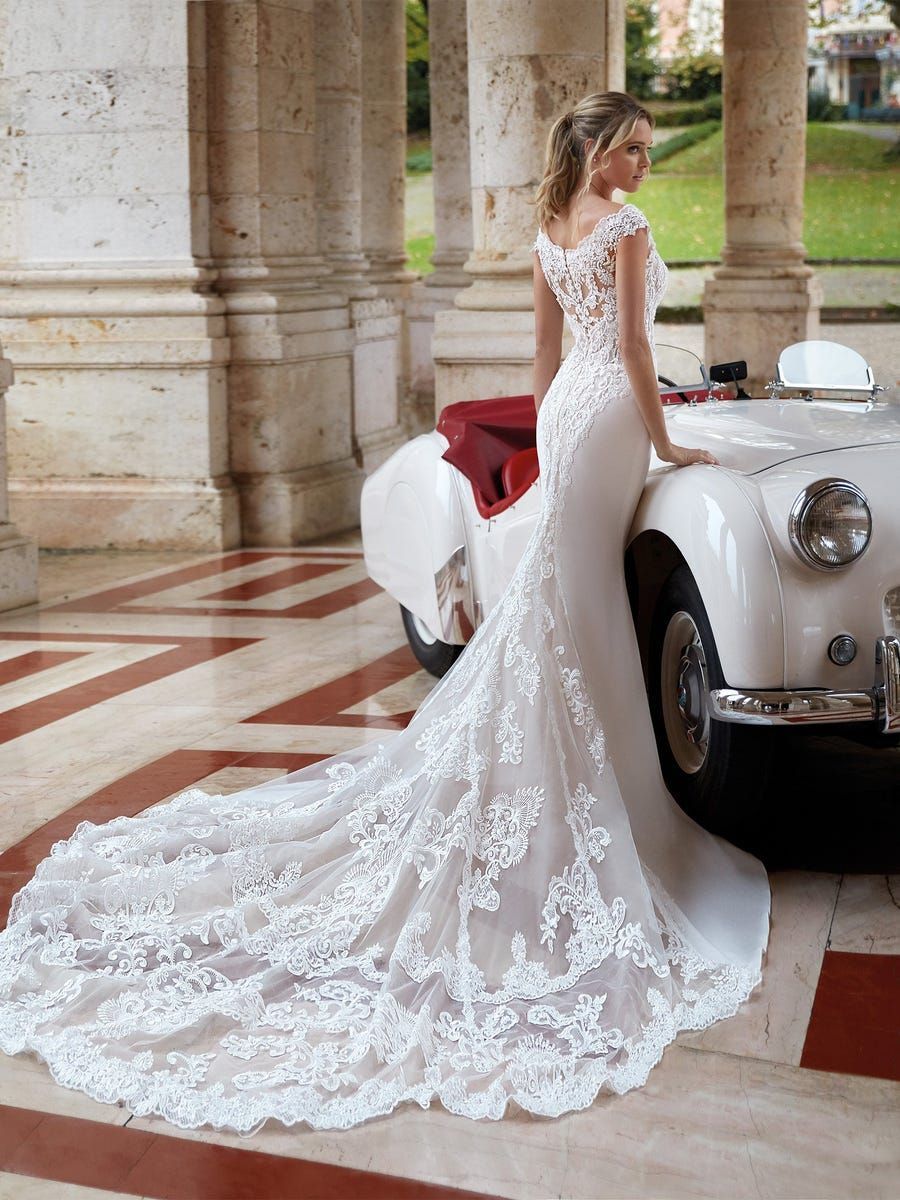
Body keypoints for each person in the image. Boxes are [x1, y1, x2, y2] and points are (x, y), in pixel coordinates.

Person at [0, 91, 769, 1134]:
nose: (642, 168)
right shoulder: (624, 229)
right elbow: (633, 350)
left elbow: (544, 362)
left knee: (561, 601)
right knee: (576, 601)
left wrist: (546, 449)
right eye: (633, 150)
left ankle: (564, 776)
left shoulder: (549, 229)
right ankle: (607, 799)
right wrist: (668, 444)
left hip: (566, 420)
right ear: (597, 149)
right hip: (614, 421)